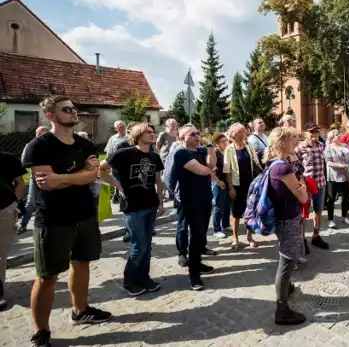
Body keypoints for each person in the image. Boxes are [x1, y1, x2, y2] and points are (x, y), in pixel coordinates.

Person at [22, 96, 112, 347]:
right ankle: (41, 331)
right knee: (47, 276)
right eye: (67, 109)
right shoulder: (39, 146)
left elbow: (93, 176)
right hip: (52, 219)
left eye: (74, 108)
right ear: (50, 115)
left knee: (82, 263)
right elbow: (45, 182)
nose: (74, 112)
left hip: (84, 215)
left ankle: (80, 311)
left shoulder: (84, 144)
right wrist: (81, 173)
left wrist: (65, 178)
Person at [99, 123, 165, 296]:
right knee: (139, 245)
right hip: (133, 207)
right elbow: (101, 169)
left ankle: (144, 277)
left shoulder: (154, 156)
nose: (153, 134)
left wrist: (160, 202)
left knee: (148, 245)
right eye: (148, 132)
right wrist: (118, 185)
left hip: (150, 204)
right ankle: (129, 281)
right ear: (137, 134)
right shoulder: (124, 154)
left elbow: (158, 180)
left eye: (153, 132)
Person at [262, 127, 308, 325]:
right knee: (287, 261)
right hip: (288, 218)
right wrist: (303, 187)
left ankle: (286, 287)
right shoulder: (282, 167)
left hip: (284, 216)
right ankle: (282, 310)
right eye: (290, 140)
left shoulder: (274, 164)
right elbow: (303, 197)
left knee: (287, 255)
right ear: (281, 143)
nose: (294, 142)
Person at [170, 126, 215, 290]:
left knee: (201, 233)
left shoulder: (201, 151)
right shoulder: (181, 153)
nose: (198, 136)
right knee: (195, 236)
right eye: (192, 134)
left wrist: (210, 148)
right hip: (190, 201)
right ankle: (193, 274)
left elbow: (212, 164)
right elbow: (204, 170)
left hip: (205, 198)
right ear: (182, 138)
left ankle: (198, 263)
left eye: (198, 133)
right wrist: (209, 166)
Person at [224, 123, 261, 251]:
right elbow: (227, 170)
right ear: (234, 134)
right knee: (235, 213)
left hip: (250, 185)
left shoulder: (249, 146)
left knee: (250, 211)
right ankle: (235, 238)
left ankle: (250, 237)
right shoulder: (229, 149)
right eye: (240, 132)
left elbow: (256, 164)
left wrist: (262, 175)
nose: (243, 134)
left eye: (244, 131)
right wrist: (230, 188)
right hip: (236, 185)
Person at [295, 122, 330, 249]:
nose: (314, 134)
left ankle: (316, 235)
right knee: (304, 213)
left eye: (316, 131)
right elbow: (296, 167)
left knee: (318, 210)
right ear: (305, 133)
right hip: (306, 184)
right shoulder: (299, 148)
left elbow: (323, 164)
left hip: (320, 183)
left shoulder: (321, 145)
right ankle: (302, 239)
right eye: (311, 132)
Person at [0, 151, 27, 311]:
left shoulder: (7, 159)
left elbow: (20, 183)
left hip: (4, 211)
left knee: (1, 255)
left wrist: (13, 206)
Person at [17, 126, 49, 235]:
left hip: (50, 177)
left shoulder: (52, 146)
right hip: (35, 177)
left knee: (49, 201)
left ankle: (47, 224)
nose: (41, 137)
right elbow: (24, 160)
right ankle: (23, 224)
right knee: (31, 202)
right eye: (39, 134)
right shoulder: (31, 145)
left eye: (44, 134)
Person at [324, 129, 349, 228]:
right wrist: (341, 166)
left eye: (339, 134)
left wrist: (348, 167)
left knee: (346, 197)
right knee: (331, 198)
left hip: (345, 175)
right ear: (332, 138)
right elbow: (329, 163)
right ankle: (330, 219)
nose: (339, 135)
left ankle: (344, 216)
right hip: (333, 176)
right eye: (336, 135)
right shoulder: (328, 148)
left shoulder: (346, 146)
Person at [211, 133, 231, 238]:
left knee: (227, 205)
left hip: (227, 181)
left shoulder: (226, 152)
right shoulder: (215, 152)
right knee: (218, 205)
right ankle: (216, 229)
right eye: (222, 141)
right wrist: (218, 181)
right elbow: (211, 169)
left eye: (226, 140)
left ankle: (226, 225)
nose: (225, 142)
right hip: (219, 182)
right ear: (217, 143)